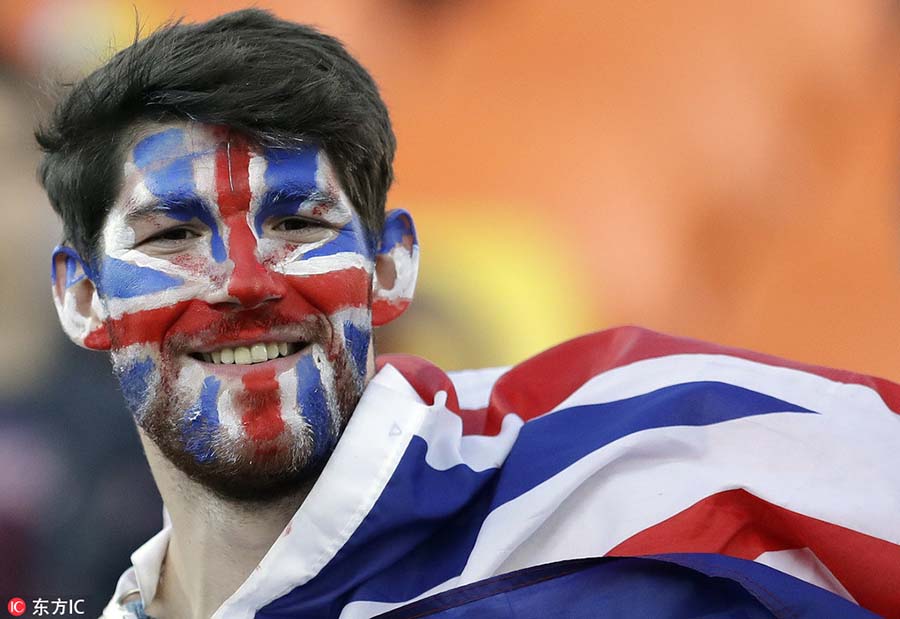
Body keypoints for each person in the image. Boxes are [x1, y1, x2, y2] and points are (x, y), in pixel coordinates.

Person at [37, 9, 900, 619]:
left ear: (391, 265)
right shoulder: (72, 581)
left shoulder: (655, 461)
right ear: (80, 296)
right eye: (175, 233)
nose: (247, 281)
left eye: (299, 223)